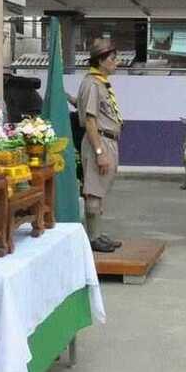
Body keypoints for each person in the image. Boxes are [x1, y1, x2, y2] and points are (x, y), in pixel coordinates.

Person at [77, 38, 123, 253]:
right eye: (112, 59)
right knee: (94, 191)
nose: (116, 62)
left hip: (108, 140)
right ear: (101, 60)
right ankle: (93, 238)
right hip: (99, 140)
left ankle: (97, 233)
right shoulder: (93, 84)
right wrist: (99, 152)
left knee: (100, 189)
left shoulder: (100, 83)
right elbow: (90, 120)